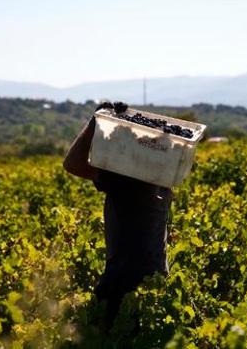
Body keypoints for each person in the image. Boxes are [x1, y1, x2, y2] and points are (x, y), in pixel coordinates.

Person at [62, 102, 172, 328]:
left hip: (124, 281)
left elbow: (72, 163)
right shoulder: (162, 181)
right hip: (156, 277)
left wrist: (96, 121)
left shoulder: (128, 181)